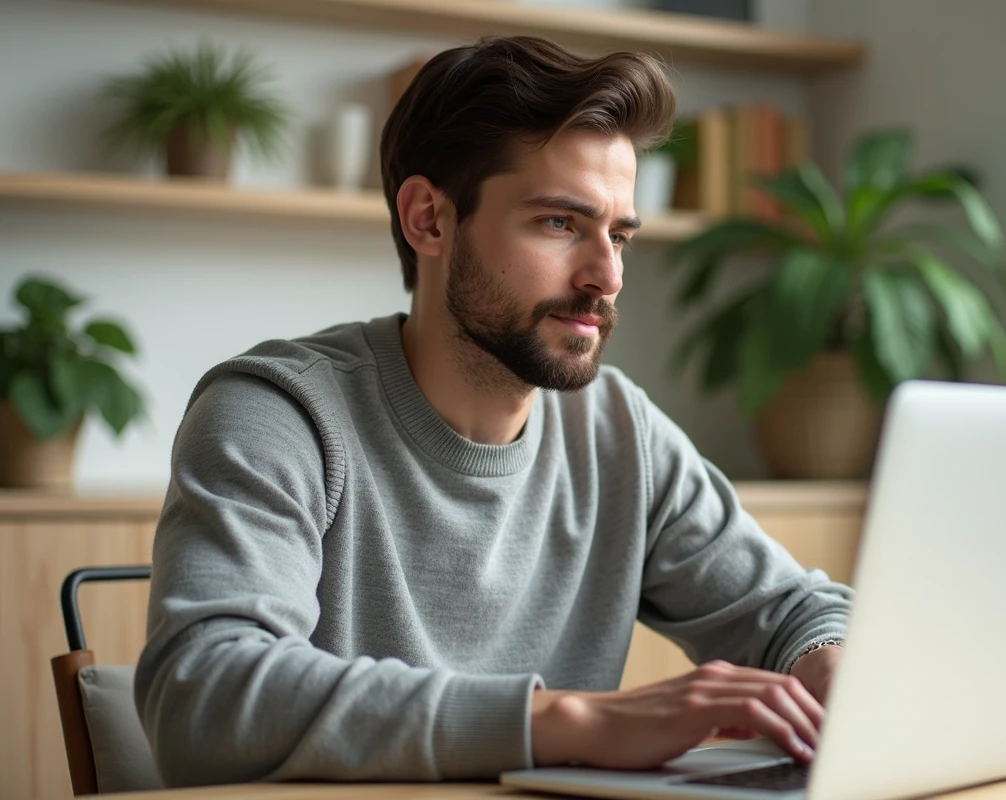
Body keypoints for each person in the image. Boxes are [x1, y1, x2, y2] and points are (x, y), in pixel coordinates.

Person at [134, 35, 854, 788]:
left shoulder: (619, 435)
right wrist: (572, 722)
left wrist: (830, 668)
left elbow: (792, 610)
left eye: (619, 235)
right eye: (560, 224)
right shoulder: (278, 414)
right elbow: (204, 698)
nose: (605, 276)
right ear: (430, 220)